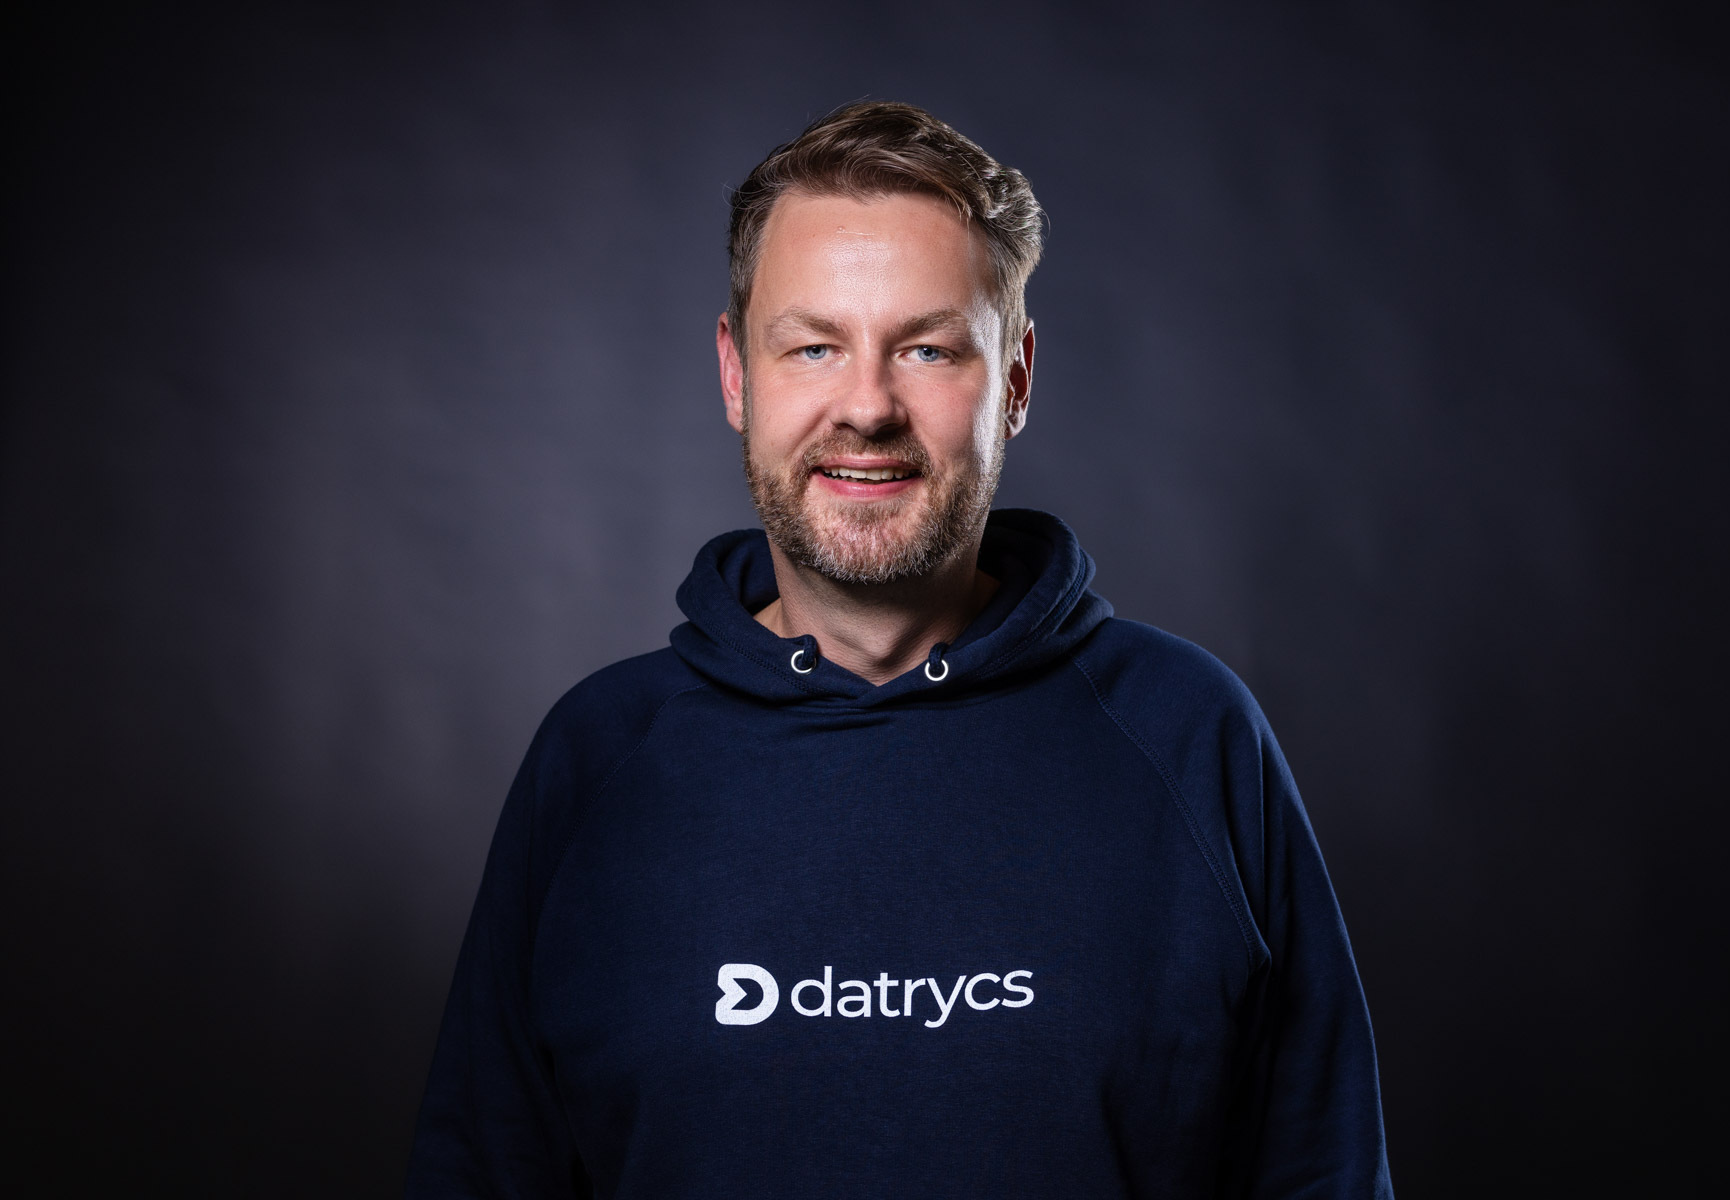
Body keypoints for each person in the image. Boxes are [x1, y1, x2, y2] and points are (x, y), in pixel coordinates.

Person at [405, 100, 1393, 1198]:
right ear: (737, 374)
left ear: (1014, 379)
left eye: (927, 348)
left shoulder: (1190, 737)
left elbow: (1325, 1172)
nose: (868, 407)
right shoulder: (597, 760)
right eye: (814, 346)